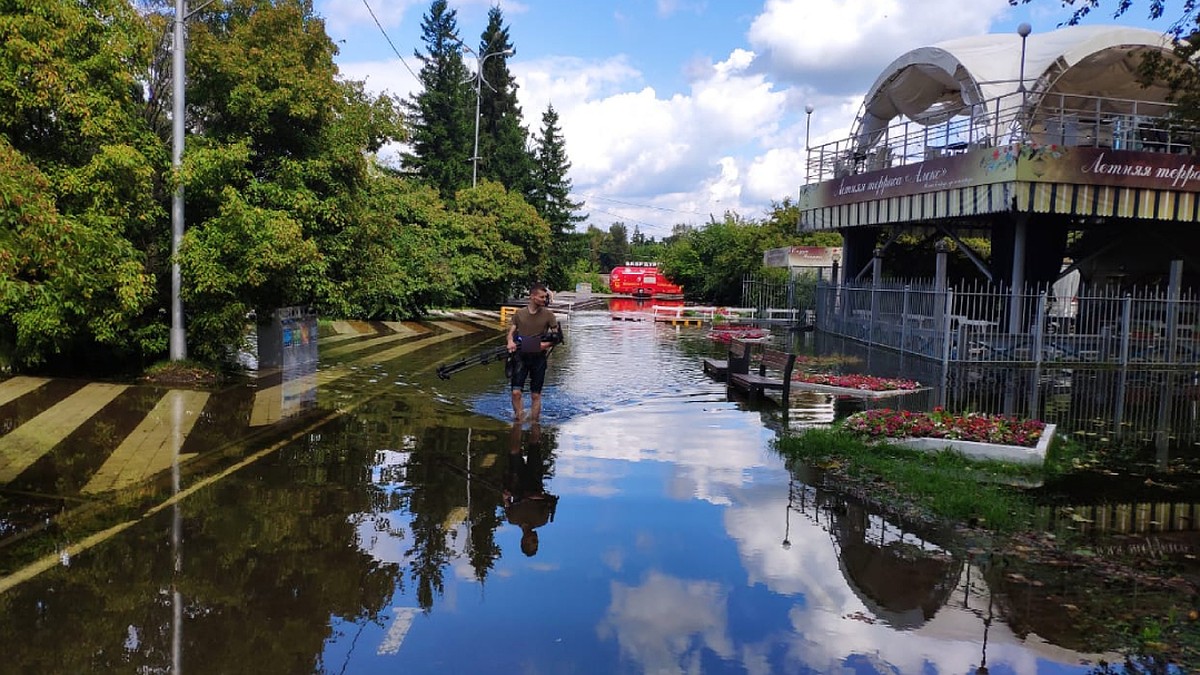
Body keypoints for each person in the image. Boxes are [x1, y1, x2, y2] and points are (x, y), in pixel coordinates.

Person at [506, 283, 561, 421]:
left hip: (539, 358)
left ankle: (535, 423)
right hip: (520, 356)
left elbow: (557, 338)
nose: (544, 299)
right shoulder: (519, 314)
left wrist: (543, 345)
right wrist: (510, 342)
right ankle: (519, 419)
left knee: (535, 395)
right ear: (532, 296)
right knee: (516, 392)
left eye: (545, 297)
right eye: (542, 297)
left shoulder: (549, 315)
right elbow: (510, 333)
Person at [502, 422, 557, 557]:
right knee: (534, 444)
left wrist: (505, 496)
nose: (536, 538)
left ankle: (517, 423)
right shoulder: (542, 520)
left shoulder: (512, 519)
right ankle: (535, 419)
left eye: (533, 541)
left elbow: (507, 502)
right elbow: (548, 499)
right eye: (536, 541)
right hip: (534, 478)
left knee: (514, 450)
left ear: (524, 541)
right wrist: (531, 497)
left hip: (517, 479)